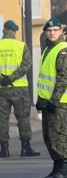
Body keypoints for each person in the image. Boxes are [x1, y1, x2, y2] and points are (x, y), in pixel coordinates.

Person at [35, 18, 67, 178]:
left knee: (58, 135)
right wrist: (41, 100)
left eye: (55, 30)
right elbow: (45, 78)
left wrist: (54, 100)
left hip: (58, 102)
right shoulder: (48, 49)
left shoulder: (63, 50)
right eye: (49, 30)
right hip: (48, 101)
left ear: (61, 32)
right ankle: (57, 167)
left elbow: (63, 78)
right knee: (49, 135)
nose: (52, 33)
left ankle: (64, 171)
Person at [0, 19, 39, 158]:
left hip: (1, 88)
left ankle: (4, 149)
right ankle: (25, 148)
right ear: (14, 32)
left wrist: (3, 78)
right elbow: (26, 65)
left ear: (4, 31)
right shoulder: (21, 45)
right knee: (23, 117)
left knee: (2, 119)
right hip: (19, 88)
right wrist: (12, 78)